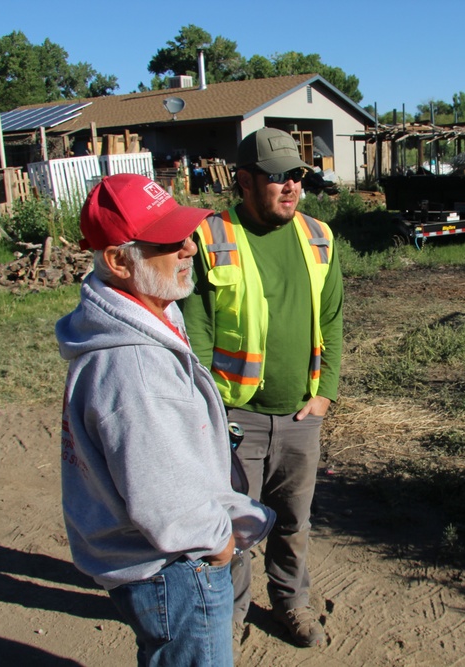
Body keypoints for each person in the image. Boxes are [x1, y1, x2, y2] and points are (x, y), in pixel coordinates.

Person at [57, 173, 275, 666]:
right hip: (177, 567)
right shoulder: (132, 366)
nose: (190, 250)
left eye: (187, 236)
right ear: (118, 260)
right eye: (170, 242)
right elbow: (162, 495)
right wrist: (216, 545)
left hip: (166, 560)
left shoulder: (149, 312)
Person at [180, 127, 343, 648]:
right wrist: (206, 407)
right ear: (245, 181)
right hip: (233, 416)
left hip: (300, 416)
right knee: (231, 529)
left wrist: (326, 393)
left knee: (294, 522)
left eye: (297, 175)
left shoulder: (319, 237)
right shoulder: (211, 237)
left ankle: (291, 603)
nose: (292, 187)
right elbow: (196, 327)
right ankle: (227, 616)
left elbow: (334, 319)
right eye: (278, 178)